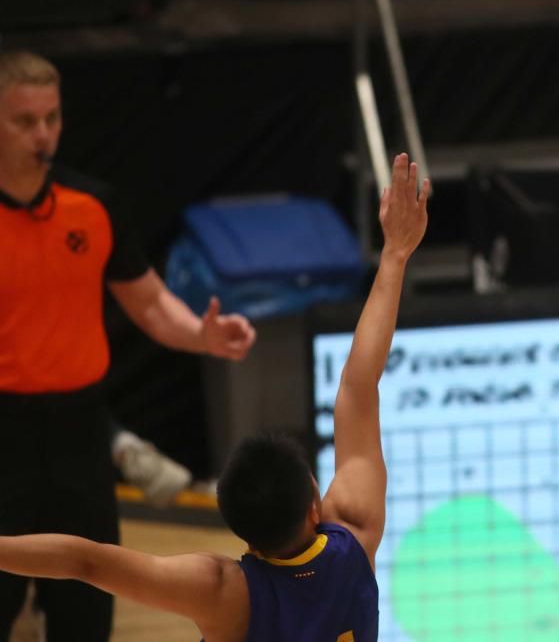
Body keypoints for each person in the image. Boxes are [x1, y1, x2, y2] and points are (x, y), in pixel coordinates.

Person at [0, 151, 430, 641]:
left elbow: (84, 561)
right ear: (315, 507)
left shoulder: (222, 590)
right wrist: (395, 254)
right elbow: (359, 384)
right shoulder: (354, 534)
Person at [0, 50, 257, 640]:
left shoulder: (92, 207)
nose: (43, 134)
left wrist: (201, 334)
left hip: (78, 433)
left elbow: (147, 301)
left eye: (52, 118)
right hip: (2, 434)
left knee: (87, 607)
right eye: (24, 121)